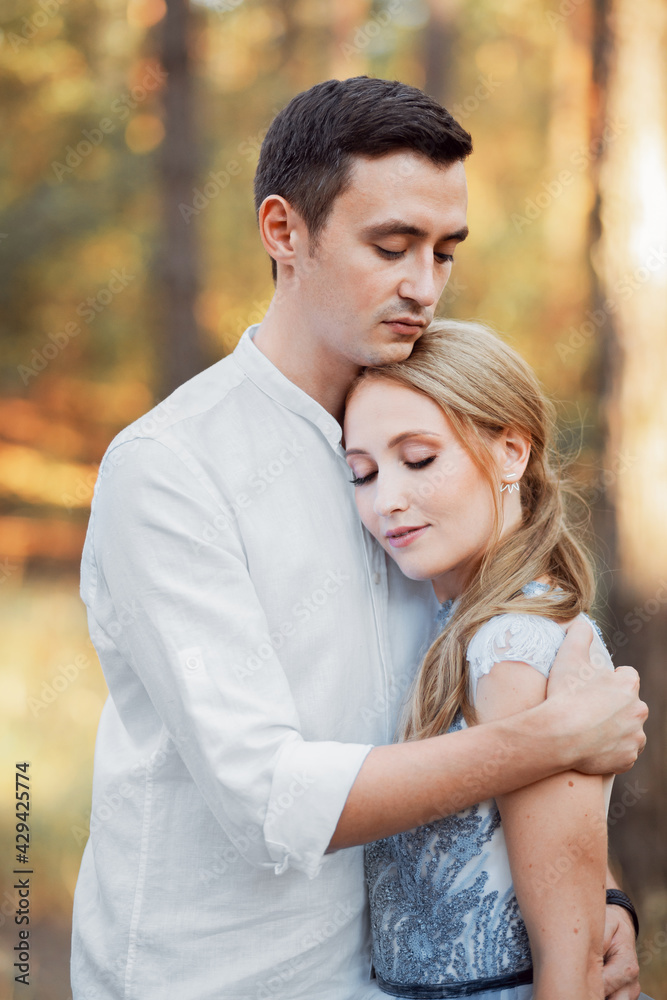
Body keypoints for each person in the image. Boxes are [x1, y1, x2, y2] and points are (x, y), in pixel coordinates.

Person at [70, 77, 647, 1000]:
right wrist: (552, 740)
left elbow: (492, 694)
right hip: (211, 981)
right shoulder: (172, 468)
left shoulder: (426, 450)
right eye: (390, 246)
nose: (423, 286)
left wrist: (594, 895)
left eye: (443, 251)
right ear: (282, 232)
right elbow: (267, 798)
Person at [344, 318, 649, 1000]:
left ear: (510, 451)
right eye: (361, 472)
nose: (384, 500)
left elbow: (565, 968)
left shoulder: (514, 648)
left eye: (418, 459)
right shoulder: (449, 622)